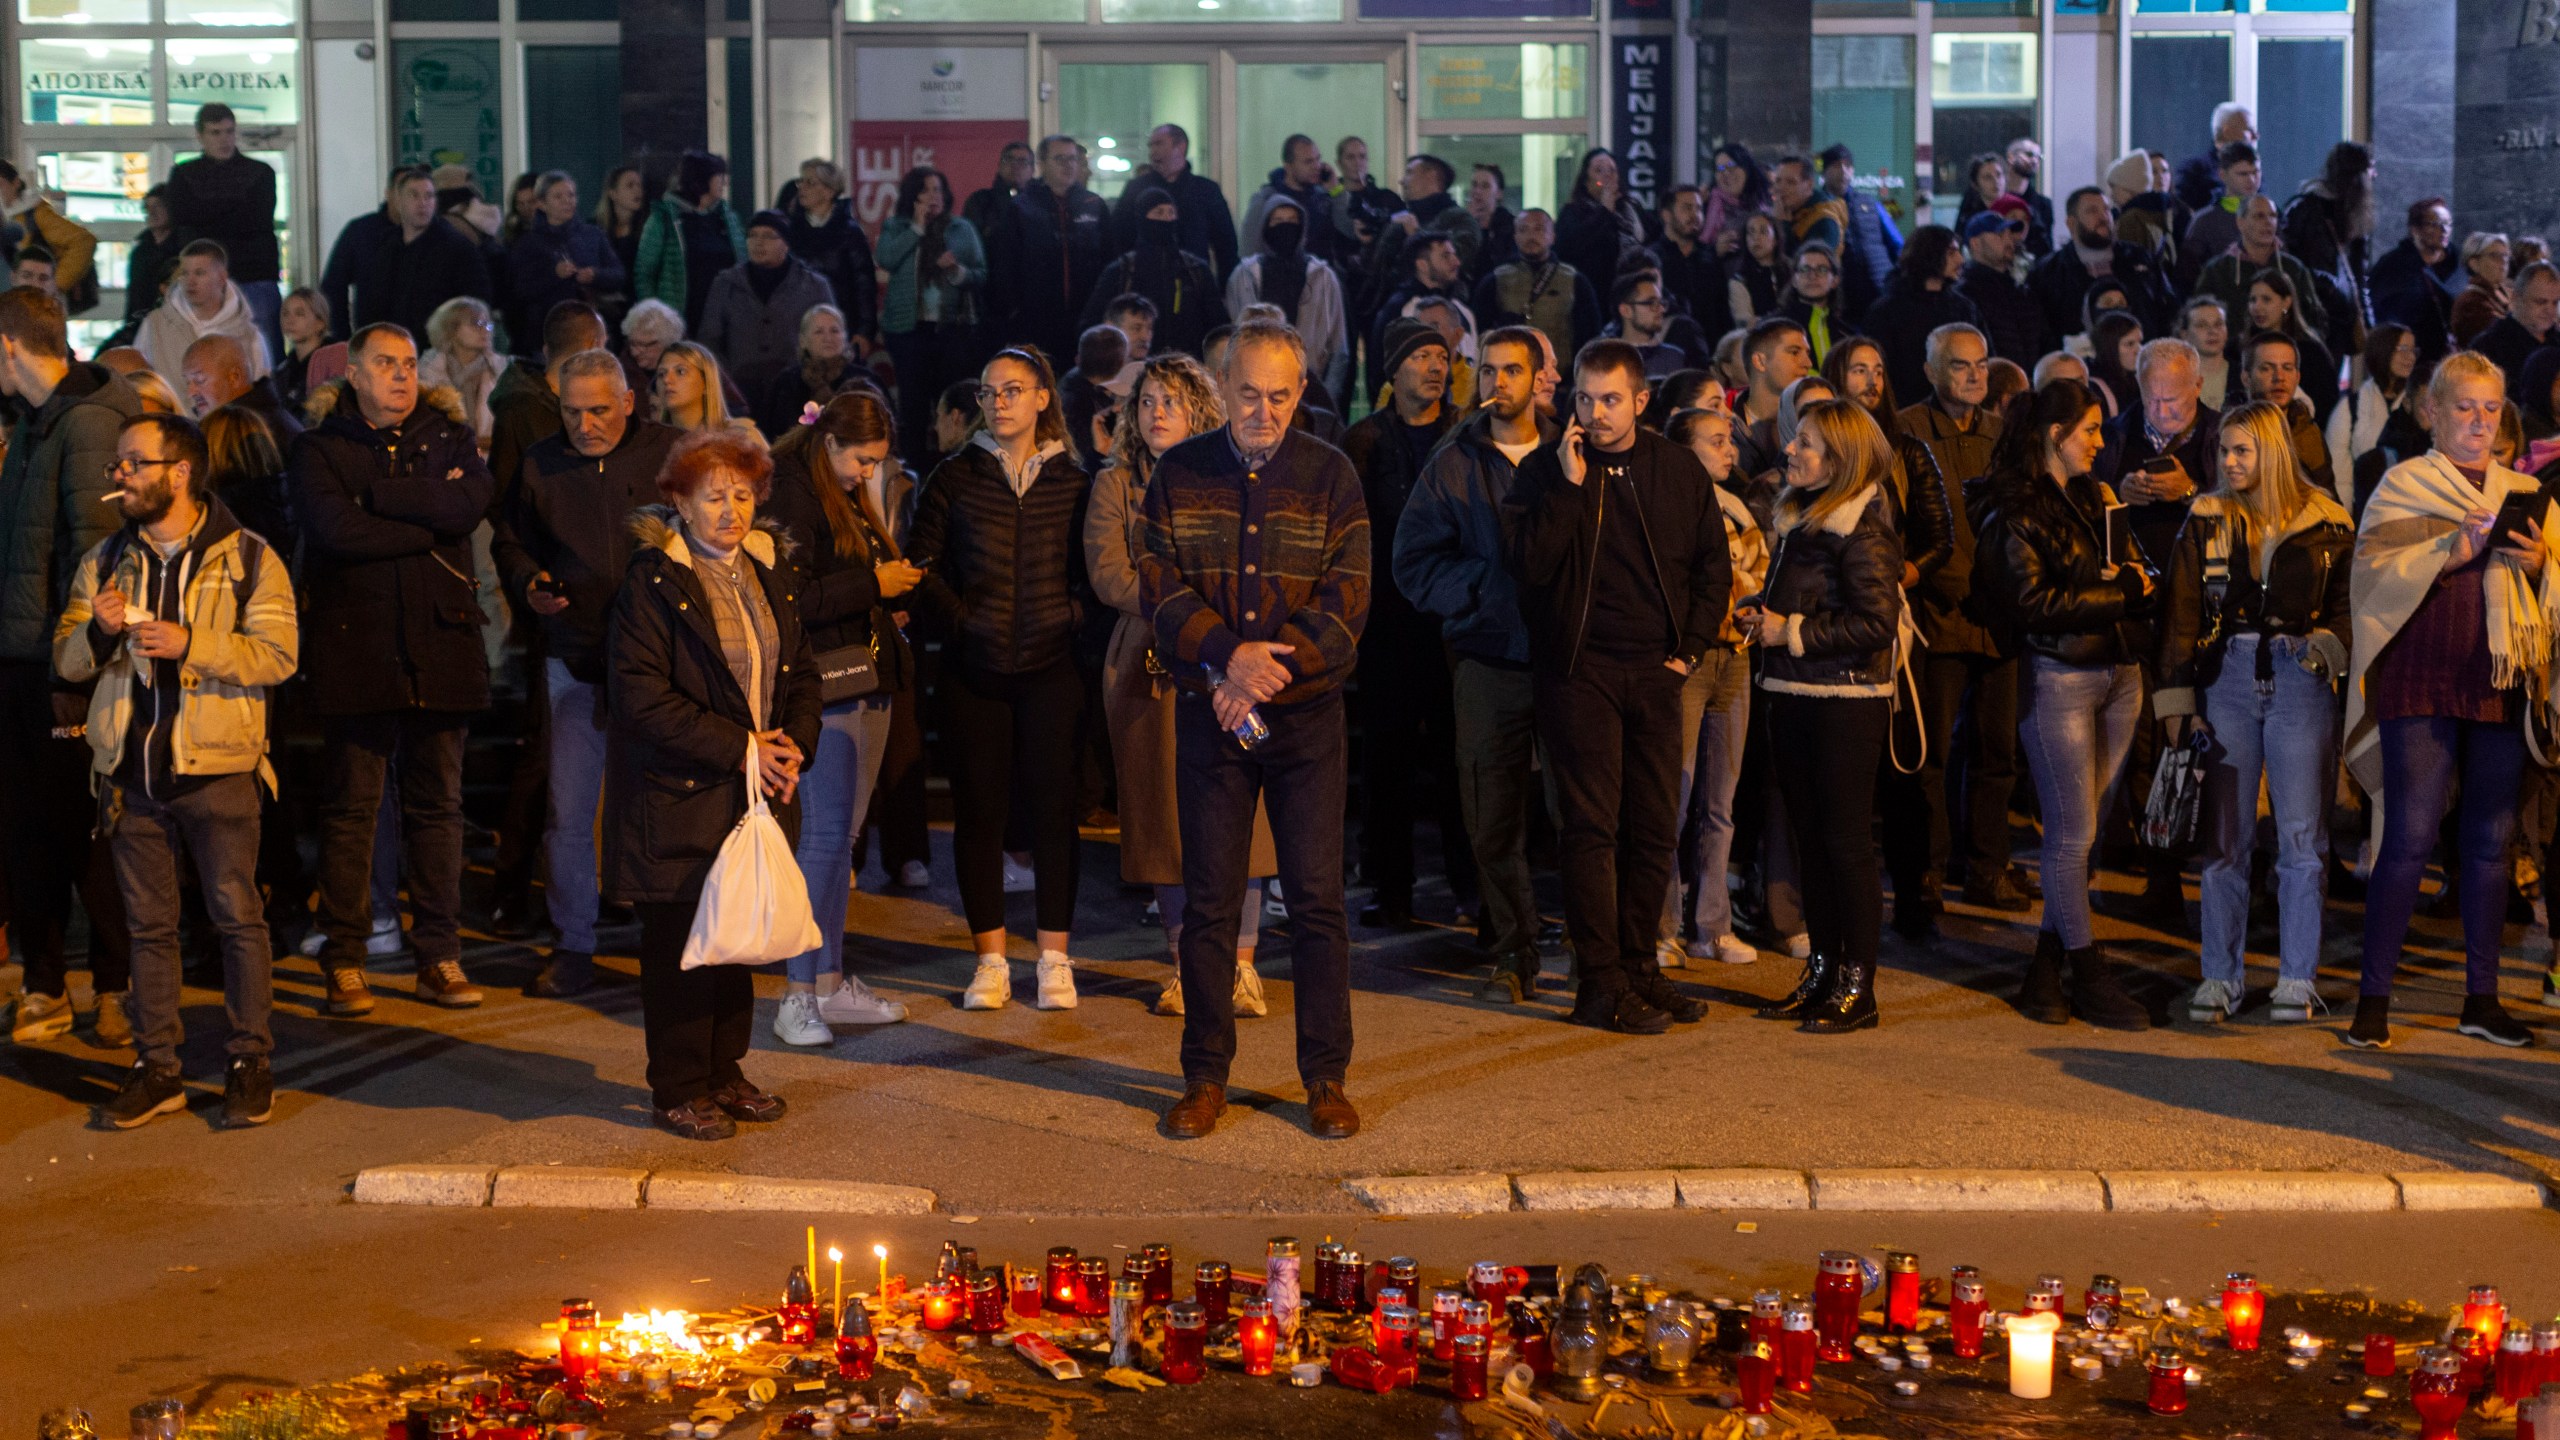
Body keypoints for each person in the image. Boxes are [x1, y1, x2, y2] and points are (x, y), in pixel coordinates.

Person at [1139, 320, 1370, 1141]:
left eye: (1279, 395)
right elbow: (1158, 591)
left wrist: (1259, 673)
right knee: (1209, 905)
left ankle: (1325, 1079)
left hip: (1305, 720)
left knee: (1316, 902)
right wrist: (1225, 660)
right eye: (1248, 393)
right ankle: (1205, 1078)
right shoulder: (1178, 471)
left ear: (1300, 393)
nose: (1263, 411)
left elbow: (1348, 603)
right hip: (1212, 716)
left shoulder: (1332, 474)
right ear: (1222, 385)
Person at [58, 410, 296, 1127]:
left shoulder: (250, 557)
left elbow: (278, 656)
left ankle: (249, 1060)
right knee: (148, 928)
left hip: (218, 769)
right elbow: (65, 660)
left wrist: (193, 643)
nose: (120, 476)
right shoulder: (105, 560)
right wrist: (97, 632)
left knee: (236, 920)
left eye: (135, 463)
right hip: (133, 773)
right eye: (119, 466)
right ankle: (157, 1065)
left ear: (181, 473)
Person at [1506, 339, 1732, 1035]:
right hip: (1580, 672)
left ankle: (1639, 968)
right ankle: (1598, 982)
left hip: (1657, 671)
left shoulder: (1674, 470)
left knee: (1654, 827)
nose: (1596, 413)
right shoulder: (1547, 473)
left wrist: (1688, 651)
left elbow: (1710, 568)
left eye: (1610, 399)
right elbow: (1528, 567)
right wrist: (1569, 488)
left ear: (1640, 400)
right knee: (1590, 830)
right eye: (1584, 398)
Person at [605, 428, 820, 1137]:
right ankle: (677, 1086)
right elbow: (640, 697)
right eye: (712, 497)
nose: (731, 509)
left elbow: (802, 674)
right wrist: (739, 748)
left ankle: (726, 1073)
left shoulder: (768, 570)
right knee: (682, 945)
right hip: (677, 796)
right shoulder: (653, 580)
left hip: (753, 788)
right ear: (679, 502)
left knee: (738, 940)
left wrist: (793, 748)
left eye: (742, 494)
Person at [2345, 351, 2552, 1051]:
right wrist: (2449, 552)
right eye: (2465, 407)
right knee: (2407, 837)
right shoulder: (2403, 484)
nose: (2479, 422)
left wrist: (2541, 565)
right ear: (2433, 412)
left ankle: (2481, 999)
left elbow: (2553, 591)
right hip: (2421, 676)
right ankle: (2372, 1004)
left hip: (2498, 680)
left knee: (2492, 844)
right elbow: (2371, 575)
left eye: (2492, 409)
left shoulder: (2523, 486)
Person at [289, 321, 495, 1015]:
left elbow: (470, 506)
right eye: (386, 363)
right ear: (354, 373)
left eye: (409, 363)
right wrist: (427, 518)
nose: (402, 375)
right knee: (353, 811)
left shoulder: (449, 437)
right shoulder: (320, 448)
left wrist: (378, 499)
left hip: (441, 646)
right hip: (358, 649)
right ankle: (344, 958)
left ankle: (438, 955)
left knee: (438, 809)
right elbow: (334, 532)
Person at [1086, 354, 1278, 1016]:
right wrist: (1186, 603)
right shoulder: (1115, 486)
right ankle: (1185, 966)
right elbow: (1110, 574)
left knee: (1242, 806)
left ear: (1200, 409)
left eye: (1172, 400)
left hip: (1230, 660)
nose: (1157, 411)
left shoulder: (1231, 476)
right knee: (1164, 817)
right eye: (1146, 402)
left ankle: (1243, 968)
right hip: (1148, 664)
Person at [2152, 399, 2351, 1026]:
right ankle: (2221, 975)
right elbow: (2180, 616)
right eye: (2223, 450)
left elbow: (2351, 605)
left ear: (2274, 452)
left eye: (2243, 450)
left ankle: (2297, 978)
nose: (2229, 462)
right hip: (2229, 676)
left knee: (2301, 838)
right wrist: (2178, 706)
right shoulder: (2206, 519)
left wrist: (2326, 647)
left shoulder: (2327, 521)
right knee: (2225, 839)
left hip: (2300, 675)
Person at [486, 347, 678, 994]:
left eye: (599, 409)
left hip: (662, 666)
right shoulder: (542, 463)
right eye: (572, 412)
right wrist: (527, 582)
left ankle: (672, 938)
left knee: (662, 806)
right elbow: (509, 540)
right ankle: (573, 944)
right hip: (576, 656)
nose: (586, 424)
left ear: (628, 401)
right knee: (570, 812)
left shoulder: (670, 455)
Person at [907, 348, 1091, 1011]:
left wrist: (1065, 616)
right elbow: (920, 564)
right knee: (978, 816)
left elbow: (1090, 575)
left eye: (1013, 390)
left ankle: (1054, 958)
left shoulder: (1074, 480)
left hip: (1051, 668)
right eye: (988, 393)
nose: (1000, 401)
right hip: (973, 669)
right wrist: (964, 620)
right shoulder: (954, 477)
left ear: (1043, 397)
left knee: (1053, 817)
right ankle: (989, 961)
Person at [1972, 378, 2157, 1029]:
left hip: (2117, 674)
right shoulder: (2013, 508)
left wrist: (2132, 581)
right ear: (2056, 434)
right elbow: (2033, 606)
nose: (2101, 441)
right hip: (2059, 679)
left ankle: (2045, 974)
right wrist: (2123, 593)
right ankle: (2090, 972)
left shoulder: (2090, 496)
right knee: (2071, 833)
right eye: (2091, 430)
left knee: (2086, 836)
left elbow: (2133, 568)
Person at [1394, 327, 1558, 998]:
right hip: (1488, 659)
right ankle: (1514, 950)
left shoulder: (1574, 450)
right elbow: (1412, 559)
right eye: (1487, 370)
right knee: (1491, 814)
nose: (1497, 383)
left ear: (1540, 376)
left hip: (1570, 659)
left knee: (1582, 813)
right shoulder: (1454, 458)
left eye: (1512, 370)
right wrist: (1482, 595)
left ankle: (1596, 953)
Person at [0, 287, 139, 1046]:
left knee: (88, 833)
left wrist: (73, 675)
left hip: (65, 675)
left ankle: (110, 987)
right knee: (28, 831)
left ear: (10, 345)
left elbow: (96, 560)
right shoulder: (33, 423)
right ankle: (45, 984)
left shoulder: (85, 424)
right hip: (21, 666)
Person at [757, 389, 918, 1041]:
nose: (868, 472)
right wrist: (874, 587)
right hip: (826, 680)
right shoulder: (794, 490)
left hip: (865, 673)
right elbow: (791, 595)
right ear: (828, 443)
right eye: (862, 459)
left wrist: (884, 597)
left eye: (877, 461)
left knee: (842, 840)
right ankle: (798, 993)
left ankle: (827, 982)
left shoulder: (838, 487)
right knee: (823, 839)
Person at [1743, 398, 1903, 1031]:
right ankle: (1823, 970)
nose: (1790, 450)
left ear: (1841, 458)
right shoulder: (1801, 515)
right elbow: (1804, 601)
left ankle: (1857, 987)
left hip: (1844, 702)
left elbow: (1876, 623)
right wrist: (1763, 610)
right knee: (1811, 842)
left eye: (1805, 443)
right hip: (1794, 693)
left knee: (1845, 845)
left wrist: (1792, 630)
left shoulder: (1862, 524)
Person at [1894, 323, 2028, 914]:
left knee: (1996, 751)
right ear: (1930, 371)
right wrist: (1942, 581)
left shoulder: (2004, 435)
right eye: (1959, 365)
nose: (1975, 376)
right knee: (1933, 753)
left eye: (1981, 365)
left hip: (1997, 616)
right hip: (1938, 614)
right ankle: (1926, 873)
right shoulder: (1906, 431)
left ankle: (1987, 868)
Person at [1344, 320, 1471, 931]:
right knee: (1387, 762)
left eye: (1441, 356)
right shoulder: (1364, 441)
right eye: (1420, 355)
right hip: (1389, 625)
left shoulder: (1465, 434)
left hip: (1455, 623)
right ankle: (1390, 888)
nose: (1433, 366)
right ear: (1393, 371)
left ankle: (1471, 886)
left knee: (1461, 759)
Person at [1653, 404, 1765, 968]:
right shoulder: (1669, 504)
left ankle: (1712, 927)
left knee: (1719, 803)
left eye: (1731, 440)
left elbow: (1758, 570)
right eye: (1717, 440)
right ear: (1682, 449)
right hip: (1691, 660)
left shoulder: (1738, 506)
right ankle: (1661, 926)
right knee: (1672, 797)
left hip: (1734, 659)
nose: (1731, 451)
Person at [876, 165, 984, 458]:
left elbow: (980, 274)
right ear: (912, 196)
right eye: (925, 190)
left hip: (952, 329)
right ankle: (913, 472)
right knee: (912, 407)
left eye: (938, 190)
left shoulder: (962, 228)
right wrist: (917, 228)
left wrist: (957, 271)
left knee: (953, 405)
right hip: (909, 331)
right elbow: (886, 258)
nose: (932, 196)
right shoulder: (897, 226)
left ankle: (953, 466)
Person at [163, 106, 281, 355]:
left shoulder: (185, 177)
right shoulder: (258, 174)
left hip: (248, 275)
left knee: (257, 351)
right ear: (200, 135)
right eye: (216, 133)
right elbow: (186, 219)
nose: (224, 139)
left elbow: (255, 221)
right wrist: (235, 207)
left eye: (228, 132)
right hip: (240, 273)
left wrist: (205, 217)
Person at [990, 136, 1110, 365]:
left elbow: (1108, 260)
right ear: (1042, 164)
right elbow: (1005, 265)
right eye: (1060, 159)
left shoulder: (1094, 205)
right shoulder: (1022, 208)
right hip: (1036, 322)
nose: (1069, 165)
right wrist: (1014, 312)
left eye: (1073, 159)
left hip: (1086, 320)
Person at [696, 209, 835, 405]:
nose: (758, 242)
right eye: (752, 235)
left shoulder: (814, 286)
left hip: (796, 390)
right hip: (739, 391)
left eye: (769, 236)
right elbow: (709, 339)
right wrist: (726, 381)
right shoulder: (726, 283)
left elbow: (828, 341)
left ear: (786, 244)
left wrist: (812, 380)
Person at [341, 167, 494, 343]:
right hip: (389, 348)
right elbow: (371, 302)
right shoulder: (385, 248)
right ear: (398, 202)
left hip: (437, 352)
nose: (423, 203)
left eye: (429, 196)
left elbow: (477, 303)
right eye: (414, 195)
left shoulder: (456, 248)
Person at [1084, 186, 1228, 359]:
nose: (1167, 218)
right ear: (1143, 217)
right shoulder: (1121, 271)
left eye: (1171, 212)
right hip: (1132, 369)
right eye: (1158, 212)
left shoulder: (1195, 270)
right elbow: (1094, 322)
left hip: (1187, 367)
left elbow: (1217, 323)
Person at [1226, 198, 1349, 402]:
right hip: (1254, 391)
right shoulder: (1244, 276)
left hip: (1310, 391)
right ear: (1265, 226)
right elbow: (1230, 337)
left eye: (1292, 220)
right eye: (1277, 220)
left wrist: (1327, 396)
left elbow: (1339, 348)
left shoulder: (1323, 277)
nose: (1285, 226)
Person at [2032, 187, 2174, 344]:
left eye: (2106, 209)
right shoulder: (2049, 272)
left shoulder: (2140, 257)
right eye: (2092, 211)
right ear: (2071, 223)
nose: (2104, 217)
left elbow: (2168, 306)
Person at [2281, 140, 2377, 365]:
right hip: (2309, 318)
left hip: (2336, 320)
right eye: (2370, 169)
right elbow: (2291, 265)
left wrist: (2366, 322)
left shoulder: (2349, 215)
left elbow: (2358, 275)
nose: (2374, 176)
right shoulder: (2308, 210)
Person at [1860, 225, 1978, 408]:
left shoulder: (1963, 307)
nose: (1960, 259)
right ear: (1930, 253)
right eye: (1951, 252)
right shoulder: (1887, 311)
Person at [507, 171, 624, 348]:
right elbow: (521, 289)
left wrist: (595, 275)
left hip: (591, 327)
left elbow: (618, 274)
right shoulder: (528, 243)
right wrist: (554, 275)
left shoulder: (593, 235)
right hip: (547, 332)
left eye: (571, 195)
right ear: (542, 204)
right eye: (558, 196)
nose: (567, 201)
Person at [137, 241, 271, 395]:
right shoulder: (154, 326)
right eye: (185, 273)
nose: (190, 281)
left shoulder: (250, 337)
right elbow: (139, 383)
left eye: (199, 273)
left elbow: (261, 396)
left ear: (221, 278)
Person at [634, 151, 746, 334]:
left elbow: (742, 262)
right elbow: (645, 273)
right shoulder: (664, 218)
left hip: (726, 319)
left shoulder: (728, 218)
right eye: (719, 176)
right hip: (682, 318)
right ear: (702, 179)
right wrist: (656, 315)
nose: (725, 182)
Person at [1108, 125, 1238, 281]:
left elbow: (1225, 245)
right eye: (1151, 146)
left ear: (1180, 147)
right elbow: (1118, 237)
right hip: (1145, 282)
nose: (1152, 151)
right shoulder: (1136, 189)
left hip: (1192, 284)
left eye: (1159, 144)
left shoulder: (1206, 190)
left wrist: (1225, 289)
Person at [777, 161, 878, 349]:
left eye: (811, 183)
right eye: (801, 182)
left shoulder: (849, 231)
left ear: (829, 191)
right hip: (797, 323)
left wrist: (865, 331)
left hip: (839, 321)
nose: (802, 189)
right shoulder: (791, 228)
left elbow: (863, 284)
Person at [1818, 145, 1903, 322]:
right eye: (1836, 166)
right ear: (1824, 172)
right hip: (1841, 295)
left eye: (1848, 166)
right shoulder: (1816, 207)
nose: (1843, 171)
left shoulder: (1870, 203)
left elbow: (1896, 244)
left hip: (1880, 289)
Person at [2371, 198, 2460, 365]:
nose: (2444, 230)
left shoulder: (2458, 264)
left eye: (2448, 223)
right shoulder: (2393, 265)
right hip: (2406, 355)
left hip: (2448, 358)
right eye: (2434, 223)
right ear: (2415, 229)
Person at [2330, 323, 2423, 478]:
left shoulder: (2418, 404)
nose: (2411, 357)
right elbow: (2339, 472)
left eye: (2413, 350)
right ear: (2383, 350)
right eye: (2403, 350)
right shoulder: (2351, 407)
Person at [756, 305, 861, 439]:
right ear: (803, 341)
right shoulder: (786, 383)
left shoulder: (861, 381)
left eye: (834, 331)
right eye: (819, 332)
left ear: (845, 337)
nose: (828, 338)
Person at [1956, 210, 2044, 369]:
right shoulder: (1966, 293)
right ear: (1975, 243)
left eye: (2010, 234)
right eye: (2000, 234)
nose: (2009, 240)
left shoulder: (2020, 289)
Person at [418, 296, 508, 448]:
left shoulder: (503, 370)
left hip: (490, 464)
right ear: (451, 329)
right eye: (476, 323)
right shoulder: (427, 371)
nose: (485, 330)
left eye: (487, 324)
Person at [1648, 183, 1731, 340]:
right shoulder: (1651, 258)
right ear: (1666, 215)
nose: (1695, 215)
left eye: (1699, 209)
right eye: (1687, 208)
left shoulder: (1710, 256)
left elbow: (1722, 310)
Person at [1734, 317, 1815, 477]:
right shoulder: (1728, 432)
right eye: (1794, 352)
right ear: (1760, 362)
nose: (1808, 363)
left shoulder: (1814, 424)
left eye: (1807, 353)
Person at [2177, 142, 2260, 294]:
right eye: (2243, 174)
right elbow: (2188, 275)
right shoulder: (2205, 221)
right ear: (2223, 175)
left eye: (2255, 173)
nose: (2252, 180)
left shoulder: (2272, 216)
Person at [181, 333, 298, 441]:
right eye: (188, 383)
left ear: (234, 377)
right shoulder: (223, 426)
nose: (191, 392)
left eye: (199, 380)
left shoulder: (262, 433)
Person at [1241, 135, 1336, 265]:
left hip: (1322, 278)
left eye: (1318, 159)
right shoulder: (1265, 200)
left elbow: (1348, 230)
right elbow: (1249, 252)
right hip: (1279, 278)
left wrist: (1337, 190)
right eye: (1308, 162)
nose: (1317, 166)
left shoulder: (1323, 197)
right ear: (1288, 166)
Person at [2476, 261, 2560, 402]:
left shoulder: (2556, 342)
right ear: (2515, 298)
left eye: (2555, 302)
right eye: (2540, 302)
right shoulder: (2489, 347)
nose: (2550, 310)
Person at [653, 340, 756, 437]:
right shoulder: (651, 442)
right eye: (661, 374)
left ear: (706, 382)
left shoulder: (739, 435)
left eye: (680, 372)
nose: (666, 379)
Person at [2172, 101, 2257, 215]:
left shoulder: (2255, 171)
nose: (2255, 136)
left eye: (2253, 173)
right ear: (2227, 132)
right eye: (2249, 130)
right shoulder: (2194, 172)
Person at [1779, 241, 1851, 367]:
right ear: (1794, 280)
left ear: (1835, 280)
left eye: (1822, 269)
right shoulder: (1776, 328)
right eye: (1805, 269)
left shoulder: (1846, 334)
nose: (1812, 276)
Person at [1608, 273, 1689, 379]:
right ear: (1626, 310)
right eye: (1651, 303)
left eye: (1661, 302)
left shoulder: (1675, 358)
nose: (1661, 309)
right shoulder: (1606, 359)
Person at [275, 287, 343, 412]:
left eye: (300, 314)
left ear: (320, 323)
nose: (290, 320)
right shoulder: (284, 370)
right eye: (285, 313)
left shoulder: (335, 364)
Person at [594, 166, 647, 310]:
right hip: (604, 306)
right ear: (613, 193)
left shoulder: (648, 230)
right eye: (630, 185)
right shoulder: (595, 229)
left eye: (639, 185)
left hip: (638, 306)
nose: (637, 190)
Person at [1703, 143, 1771, 256]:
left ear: (1746, 168)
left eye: (1731, 165)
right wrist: (1715, 251)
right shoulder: (1706, 206)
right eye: (1720, 168)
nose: (1725, 173)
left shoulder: (1766, 206)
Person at [2450, 232, 2515, 350]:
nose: (2503, 261)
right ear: (2474, 264)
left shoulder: (2510, 293)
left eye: (2506, 255)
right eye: (2495, 256)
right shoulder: (2470, 303)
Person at [1727, 213, 1791, 327]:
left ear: (1775, 239)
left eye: (1763, 231)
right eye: (1751, 232)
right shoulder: (1740, 279)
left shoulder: (1792, 269)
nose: (1756, 238)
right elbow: (1745, 321)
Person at [125, 186, 178, 323]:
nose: (152, 212)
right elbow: (134, 294)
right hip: (141, 321)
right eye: (147, 207)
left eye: (158, 206)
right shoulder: (140, 251)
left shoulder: (181, 249)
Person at [963, 142, 1035, 242]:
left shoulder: (1041, 202)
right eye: (1009, 159)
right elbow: (970, 244)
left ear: (1032, 170)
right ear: (1000, 166)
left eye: (1022, 161)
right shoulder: (980, 201)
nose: (1015, 165)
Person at [1462, 163, 1517, 281]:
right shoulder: (1461, 223)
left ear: (1499, 193)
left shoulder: (1511, 227)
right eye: (1474, 185)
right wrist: (1468, 223)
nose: (1477, 191)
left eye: (1485, 186)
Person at [2177, 295, 2233, 410]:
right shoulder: (2174, 376)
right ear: (2185, 335)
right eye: (2202, 325)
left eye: (2218, 324)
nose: (2212, 331)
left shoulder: (2244, 374)